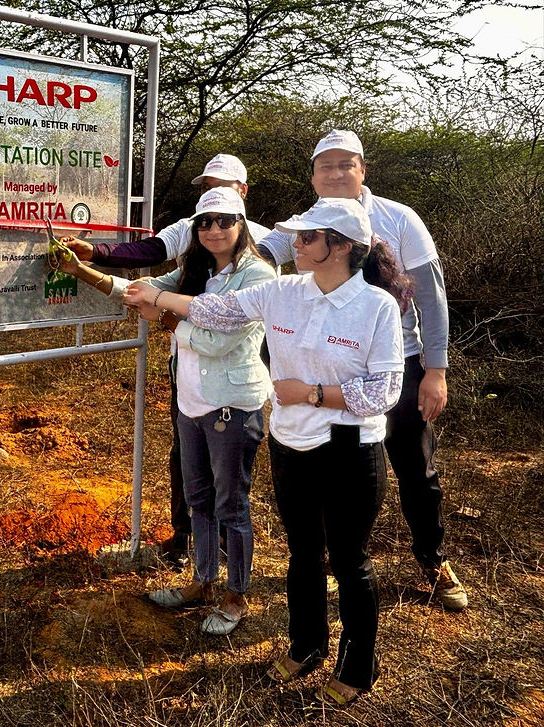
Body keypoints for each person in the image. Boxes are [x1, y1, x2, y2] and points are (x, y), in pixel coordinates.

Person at [124, 198, 409, 705]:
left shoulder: (376, 306)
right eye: (297, 237)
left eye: (306, 238)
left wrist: (315, 394)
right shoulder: (283, 291)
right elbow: (220, 311)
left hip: (349, 447)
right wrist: (161, 297)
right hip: (290, 441)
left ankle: (357, 666)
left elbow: (385, 390)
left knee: (348, 560)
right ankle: (306, 646)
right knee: (303, 553)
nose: (294, 244)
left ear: (340, 247)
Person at [255, 130, 466, 610]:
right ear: (312, 176)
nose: (334, 174)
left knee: (415, 465)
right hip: (324, 372)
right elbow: (261, 257)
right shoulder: (307, 225)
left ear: (363, 170)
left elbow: (431, 300)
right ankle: (334, 556)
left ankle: (432, 559)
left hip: (399, 363)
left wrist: (436, 370)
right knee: (328, 465)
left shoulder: (399, 219)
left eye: (345, 164)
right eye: (325, 166)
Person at [52, 187, 276, 635]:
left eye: (224, 220)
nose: (214, 229)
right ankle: (202, 582)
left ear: (242, 223)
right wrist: (85, 271)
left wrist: (170, 319)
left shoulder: (258, 277)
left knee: (231, 504)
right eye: (205, 222)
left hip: (232, 406)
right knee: (198, 500)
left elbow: (217, 342)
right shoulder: (194, 268)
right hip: (191, 402)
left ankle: (235, 596)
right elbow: (140, 292)